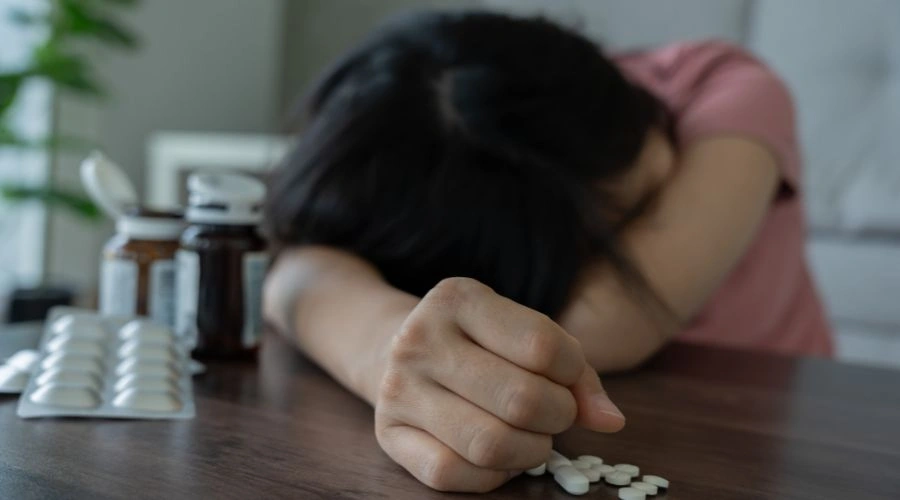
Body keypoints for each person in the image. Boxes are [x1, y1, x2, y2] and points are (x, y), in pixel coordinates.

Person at [262, 11, 833, 493]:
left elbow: (610, 322)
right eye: (620, 226)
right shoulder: (452, 175)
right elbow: (297, 269)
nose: (666, 166)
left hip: (784, 434)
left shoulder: (726, 89)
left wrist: (373, 326)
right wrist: (386, 350)